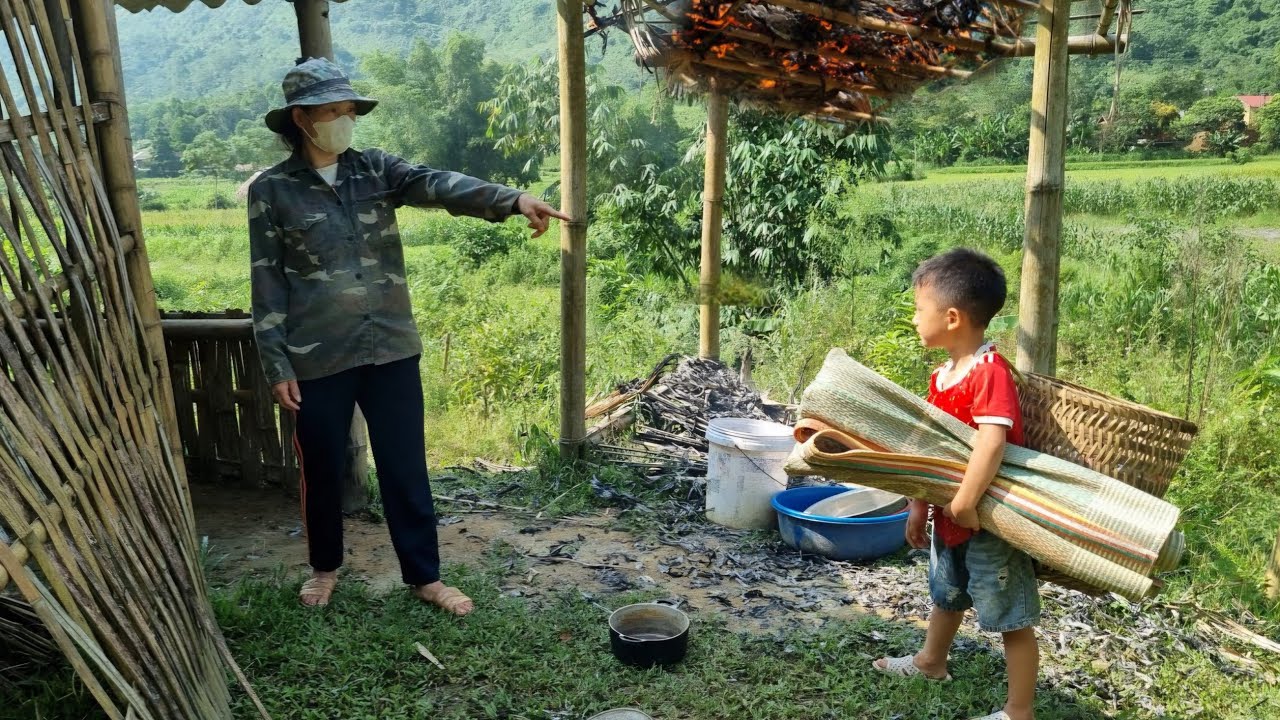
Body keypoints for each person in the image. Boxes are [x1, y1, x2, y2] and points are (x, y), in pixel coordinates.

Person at [248, 58, 569, 613]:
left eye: (349, 111)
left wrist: (512, 200)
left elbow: (435, 183)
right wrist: (277, 364)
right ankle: (325, 569)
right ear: (300, 119)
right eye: (332, 111)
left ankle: (425, 577)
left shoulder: (374, 169)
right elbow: (267, 281)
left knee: (404, 465)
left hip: (390, 347)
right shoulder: (273, 191)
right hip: (315, 356)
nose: (344, 120)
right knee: (321, 468)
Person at [872, 248, 1041, 720]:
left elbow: (992, 441)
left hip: (988, 521)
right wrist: (918, 506)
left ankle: (1019, 711)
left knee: (1011, 616)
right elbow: (930, 450)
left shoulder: (991, 372)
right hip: (949, 519)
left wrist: (966, 501)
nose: (913, 318)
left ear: (951, 317)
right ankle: (931, 661)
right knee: (947, 594)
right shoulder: (941, 376)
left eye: (917, 309)